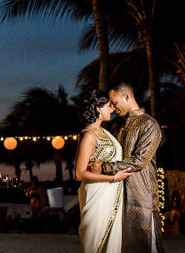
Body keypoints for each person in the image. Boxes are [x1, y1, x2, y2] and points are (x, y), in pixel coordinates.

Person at [88, 82, 164, 253]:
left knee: (146, 246)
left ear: (127, 96)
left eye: (114, 102)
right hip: (118, 197)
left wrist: (105, 168)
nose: (113, 107)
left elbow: (139, 161)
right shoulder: (119, 126)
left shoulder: (149, 125)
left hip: (142, 198)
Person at [76, 90, 132, 252]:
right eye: (108, 106)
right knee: (94, 241)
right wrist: (113, 178)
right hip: (96, 195)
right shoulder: (89, 136)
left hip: (112, 194)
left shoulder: (106, 133)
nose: (112, 109)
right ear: (98, 109)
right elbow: (79, 173)